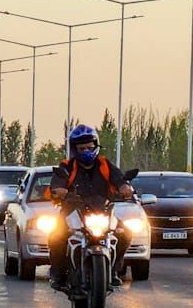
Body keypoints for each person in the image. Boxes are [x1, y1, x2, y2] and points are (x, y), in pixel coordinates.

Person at [49, 124, 135, 289]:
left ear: (96, 145)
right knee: (55, 237)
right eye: (82, 148)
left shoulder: (105, 164)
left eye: (89, 147)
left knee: (125, 234)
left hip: (102, 210)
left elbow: (119, 179)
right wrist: (60, 191)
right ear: (75, 149)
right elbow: (57, 183)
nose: (86, 151)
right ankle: (58, 275)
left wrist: (125, 188)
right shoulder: (67, 166)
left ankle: (114, 271)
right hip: (73, 211)